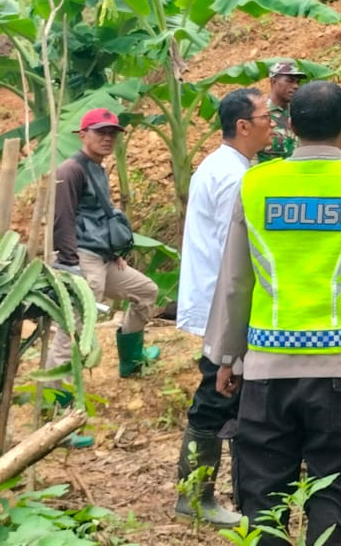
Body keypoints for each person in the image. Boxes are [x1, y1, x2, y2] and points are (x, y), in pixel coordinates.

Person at [204, 81, 341, 546]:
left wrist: (226, 356)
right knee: (339, 493)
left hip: (266, 370)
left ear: (290, 125)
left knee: (263, 498)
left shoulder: (257, 183)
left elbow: (235, 279)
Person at [172, 88, 273, 526]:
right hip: (224, 301)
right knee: (218, 393)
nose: (274, 123)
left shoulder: (227, 166)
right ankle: (195, 497)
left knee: (229, 393)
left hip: (219, 298)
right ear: (243, 126)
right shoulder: (235, 176)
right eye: (266, 116)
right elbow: (242, 248)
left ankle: (215, 492)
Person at [45, 107, 162, 393]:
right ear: (83, 134)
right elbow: (62, 219)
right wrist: (70, 264)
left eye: (112, 133)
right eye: (101, 132)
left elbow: (96, 215)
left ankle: (131, 360)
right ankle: (59, 401)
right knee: (74, 327)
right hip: (82, 258)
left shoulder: (96, 167)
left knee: (146, 292)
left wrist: (113, 251)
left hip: (103, 256)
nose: (108, 138)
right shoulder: (70, 170)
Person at [255, 60, 307, 162]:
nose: (296, 86)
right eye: (290, 80)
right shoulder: (259, 115)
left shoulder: (300, 113)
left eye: (297, 82)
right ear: (273, 82)